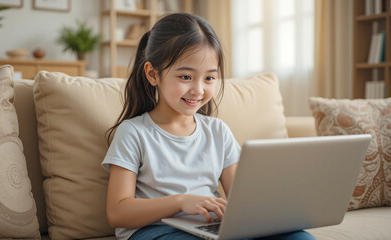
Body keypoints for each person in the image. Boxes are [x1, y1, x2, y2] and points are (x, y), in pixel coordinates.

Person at [102, 13, 315, 240]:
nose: (198, 90)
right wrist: (182, 201)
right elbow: (117, 212)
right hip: (157, 229)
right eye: (185, 76)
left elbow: (241, 199)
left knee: (300, 238)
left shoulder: (218, 131)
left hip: (210, 228)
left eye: (209, 78)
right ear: (153, 74)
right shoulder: (134, 132)